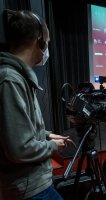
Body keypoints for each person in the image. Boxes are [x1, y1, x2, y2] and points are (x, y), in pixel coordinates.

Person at [0, 11, 75, 200]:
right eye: (47, 43)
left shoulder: (18, 77)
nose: (47, 48)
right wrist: (51, 145)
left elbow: (22, 129)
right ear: (39, 41)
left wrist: (47, 134)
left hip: (32, 186)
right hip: (29, 189)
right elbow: (19, 148)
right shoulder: (10, 80)